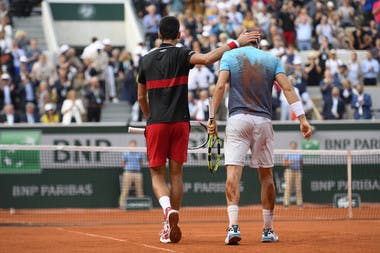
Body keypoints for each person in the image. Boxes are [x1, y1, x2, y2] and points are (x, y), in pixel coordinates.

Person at [137, 16, 260, 244]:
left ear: (159, 35)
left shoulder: (144, 60)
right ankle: (171, 222)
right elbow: (207, 58)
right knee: (176, 175)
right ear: (179, 35)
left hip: (156, 123)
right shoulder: (183, 53)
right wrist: (237, 42)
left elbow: (140, 97)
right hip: (180, 123)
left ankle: (167, 211)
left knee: (157, 174)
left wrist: (149, 118)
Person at [207, 35, 312, 245]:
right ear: (258, 43)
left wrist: (211, 118)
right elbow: (288, 89)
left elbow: (219, 88)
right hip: (263, 122)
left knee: (233, 174)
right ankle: (268, 230)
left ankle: (233, 227)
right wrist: (303, 119)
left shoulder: (229, 56)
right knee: (266, 176)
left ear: (244, 41)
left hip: (237, 121)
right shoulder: (271, 60)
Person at [119, 140, 144, 209]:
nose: (132, 146)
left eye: (134, 145)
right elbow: (123, 163)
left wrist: (138, 167)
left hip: (137, 173)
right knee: (125, 190)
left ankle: (141, 205)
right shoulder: (126, 153)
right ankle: (122, 205)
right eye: (131, 145)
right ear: (129, 146)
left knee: (139, 190)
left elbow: (141, 163)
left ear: (135, 146)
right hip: (128, 173)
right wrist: (127, 169)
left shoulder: (139, 153)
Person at [282, 141, 303, 208]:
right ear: (290, 146)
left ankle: (299, 204)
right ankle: (286, 204)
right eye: (292, 145)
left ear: (296, 146)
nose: (293, 146)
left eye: (294, 145)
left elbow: (302, 163)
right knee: (288, 188)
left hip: (297, 171)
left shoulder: (299, 153)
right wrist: (290, 162)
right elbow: (283, 163)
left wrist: (299, 165)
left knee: (298, 188)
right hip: (289, 171)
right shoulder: (287, 153)